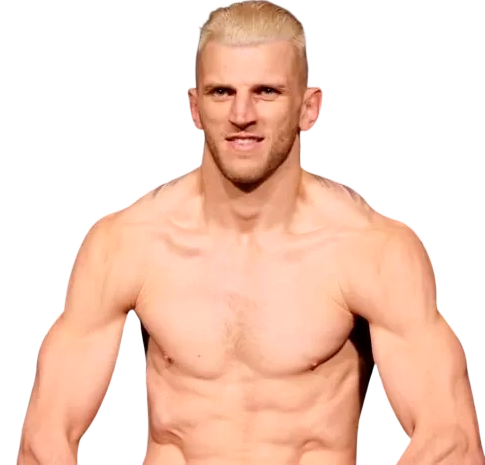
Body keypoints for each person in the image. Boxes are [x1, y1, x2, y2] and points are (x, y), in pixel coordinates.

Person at [17, 1, 483, 464]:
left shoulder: (372, 250)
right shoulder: (127, 243)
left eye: (267, 92)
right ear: (194, 107)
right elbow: (44, 438)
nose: (242, 114)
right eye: (221, 92)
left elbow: (452, 440)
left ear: (309, 108)